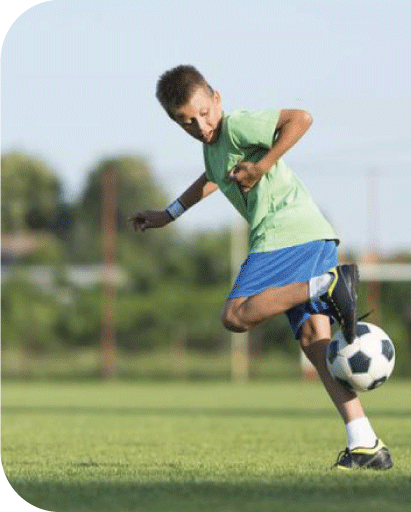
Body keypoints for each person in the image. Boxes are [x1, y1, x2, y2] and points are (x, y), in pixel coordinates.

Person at [129, 65, 393, 470]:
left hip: (283, 232)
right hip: (311, 232)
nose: (201, 126)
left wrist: (263, 164)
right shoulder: (214, 147)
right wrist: (170, 213)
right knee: (315, 342)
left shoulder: (235, 127)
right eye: (187, 123)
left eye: (204, 112)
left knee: (234, 315)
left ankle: (326, 284)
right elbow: (212, 177)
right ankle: (366, 444)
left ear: (217, 98)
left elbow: (300, 119)